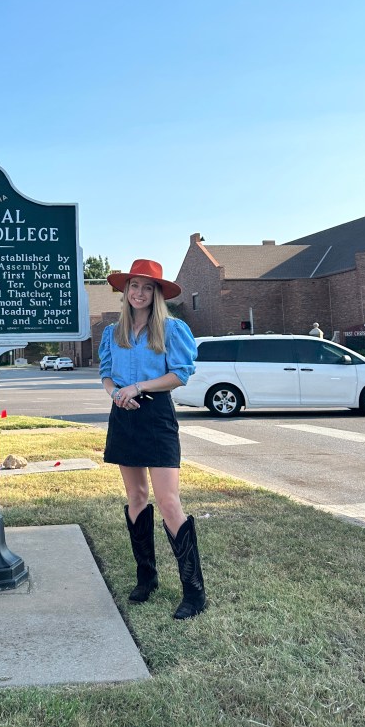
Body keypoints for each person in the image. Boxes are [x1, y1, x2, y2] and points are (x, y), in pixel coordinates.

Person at [99, 259, 207, 619]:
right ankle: (146, 577)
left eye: (147, 287)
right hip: (123, 415)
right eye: (134, 286)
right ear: (125, 292)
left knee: (167, 500)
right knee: (136, 496)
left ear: (156, 294)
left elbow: (180, 375)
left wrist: (139, 386)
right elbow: (106, 375)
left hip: (156, 415)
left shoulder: (172, 329)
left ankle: (194, 591)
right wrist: (117, 393)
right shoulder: (113, 333)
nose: (140, 293)